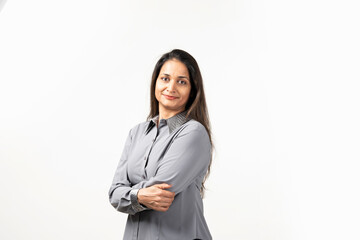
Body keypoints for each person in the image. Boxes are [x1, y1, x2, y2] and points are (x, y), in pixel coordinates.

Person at [108, 49, 213, 240]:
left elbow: (162, 191)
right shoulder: (137, 133)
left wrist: (129, 194)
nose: (171, 88)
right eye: (165, 78)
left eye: (181, 82)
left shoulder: (193, 133)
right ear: (155, 82)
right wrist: (139, 195)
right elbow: (114, 192)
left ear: (192, 90)